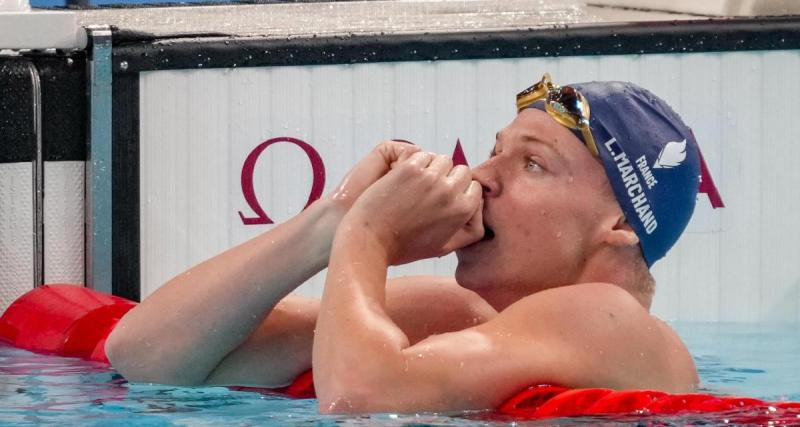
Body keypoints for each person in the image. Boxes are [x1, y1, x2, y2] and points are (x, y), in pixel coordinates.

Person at [105, 73, 701, 414]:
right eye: (495, 150)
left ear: (622, 226)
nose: (479, 175)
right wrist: (331, 224)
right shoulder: (461, 319)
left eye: (533, 165)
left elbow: (360, 401)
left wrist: (372, 234)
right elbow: (147, 356)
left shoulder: (611, 320)